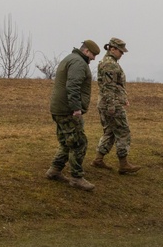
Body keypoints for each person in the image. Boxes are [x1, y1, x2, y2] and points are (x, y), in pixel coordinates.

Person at [45, 40, 100, 191]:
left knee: (66, 142)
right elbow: (73, 86)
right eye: (93, 54)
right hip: (68, 110)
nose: (94, 58)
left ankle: (54, 171)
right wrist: (76, 109)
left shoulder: (70, 58)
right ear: (86, 51)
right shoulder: (78, 63)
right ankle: (76, 177)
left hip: (59, 108)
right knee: (79, 142)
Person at [92, 37, 141, 174]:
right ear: (112, 49)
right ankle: (123, 164)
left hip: (107, 102)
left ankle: (98, 159)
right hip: (111, 104)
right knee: (123, 131)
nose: (122, 54)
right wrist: (112, 106)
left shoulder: (108, 62)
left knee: (110, 132)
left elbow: (113, 87)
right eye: (120, 51)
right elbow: (109, 87)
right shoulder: (110, 65)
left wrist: (122, 98)